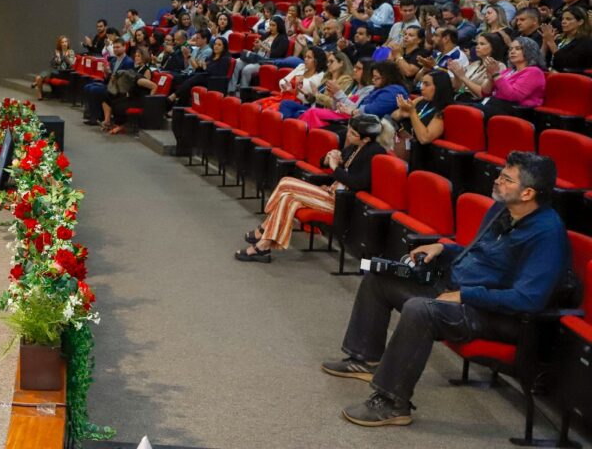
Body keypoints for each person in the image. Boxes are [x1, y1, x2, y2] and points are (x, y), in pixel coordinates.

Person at [324, 152, 570, 428]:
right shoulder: (501, 210)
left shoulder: (547, 234)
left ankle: (393, 403)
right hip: (459, 290)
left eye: (506, 179)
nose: (497, 181)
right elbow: (480, 253)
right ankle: (365, 358)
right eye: (500, 174)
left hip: (496, 315)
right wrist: (443, 248)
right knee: (379, 278)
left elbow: (528, 299)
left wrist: (466, 295)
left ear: (527, 193)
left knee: (420, 310)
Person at [234, 114, 387, 262]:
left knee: (287, 183)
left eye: (353, 133)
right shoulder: (355, 146)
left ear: (366, 139)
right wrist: (328, 159)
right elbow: (325, 163)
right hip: (331, 193)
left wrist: (335, 168)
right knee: (288, 198)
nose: (348, 135)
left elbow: (358, 184)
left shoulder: (375, 152)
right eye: (349, 130)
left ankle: (264, 229)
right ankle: (263, 246)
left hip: (341, 203)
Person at [391, 70, 453, 166]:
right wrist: (402, 114)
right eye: (421, 83)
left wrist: (412, 113)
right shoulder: (421, 99)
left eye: (426, 84)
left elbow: (424, 138)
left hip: (422, 155)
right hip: (401, 142)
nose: (421, 88)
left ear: (439, 87)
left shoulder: (444, 110)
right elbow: (394, 115)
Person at [479, 36, 547, 117]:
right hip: (494, 105)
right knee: (463, 108)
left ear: (530, 51)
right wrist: (490, 78)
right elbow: (485, 93)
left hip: (515, 111)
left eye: (518, 49)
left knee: (469, 111)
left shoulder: (534, 72)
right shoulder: (508, 71)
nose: (512, 52)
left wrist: (496, 74)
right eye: (510, 49)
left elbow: (513, 96)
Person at [450, 33, 508, 104]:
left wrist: (463, 77)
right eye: (477, 44)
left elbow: (482, 94)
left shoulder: (499, 66)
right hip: (461, 97)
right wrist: (456, 74)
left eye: (482, 44)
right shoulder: (475, 63)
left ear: (493, 47)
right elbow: (458, 88)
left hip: (477, 102)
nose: (477, 47)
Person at [540, 5, 592, 72]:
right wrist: (545, 42)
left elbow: (566, 64)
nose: (563, 22)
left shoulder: (585, 42)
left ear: (580, 22)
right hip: (550, 75)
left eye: (568, 19)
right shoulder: (558, 39)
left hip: (570, 79)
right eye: (562, 19)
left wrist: (551, 42)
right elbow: (539, 61)